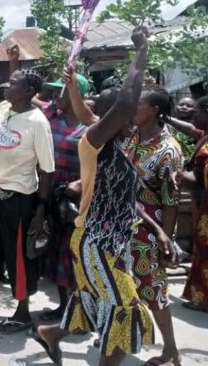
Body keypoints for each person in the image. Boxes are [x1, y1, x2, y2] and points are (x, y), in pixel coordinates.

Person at [34, 27, 162, 366]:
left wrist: (73, 86)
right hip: (97, 242)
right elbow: (120, 105)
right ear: (115, 118)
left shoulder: (116, 139)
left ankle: (51, 334)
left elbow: (91, 114)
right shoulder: (95, 142)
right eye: (129, 115)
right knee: (124, 309)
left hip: (110, 241)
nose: (134, 118)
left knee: (94, 300)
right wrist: (142, 50)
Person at [0, 68, 55, 333]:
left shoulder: (38, 123)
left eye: (13, 84)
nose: (6, 87)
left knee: (18, 258)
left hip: (18, 199)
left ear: (28, 92)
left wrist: (40, 211)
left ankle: (23, 313)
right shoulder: (1, 109)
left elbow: (47, 170)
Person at [123, 85, 183, 366]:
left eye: (139, 104)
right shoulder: (133, 136)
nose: (133, 107)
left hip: (149, 232)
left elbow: (170, 203)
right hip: (123, 224)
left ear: (154, 111)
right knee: (125, 285)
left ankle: (170, 350)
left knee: (154, 290)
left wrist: (165, 241)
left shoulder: (168, 150)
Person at [38, 73, 90, 322]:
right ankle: (64, 306)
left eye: (61, 91)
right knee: (57, 251)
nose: (54, 96)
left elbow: (103, 162)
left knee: (76, 254)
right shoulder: (50, 116)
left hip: (80, 198)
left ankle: (81, 312)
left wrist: (81, 182)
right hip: (52, 192)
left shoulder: (90, 126)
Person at [181, 96, 208, 313]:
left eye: (198, 111)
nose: (194, 115)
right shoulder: (205, 136)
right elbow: (191, 129)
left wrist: (175, 174)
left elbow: (198, 179)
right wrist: (167, 118)